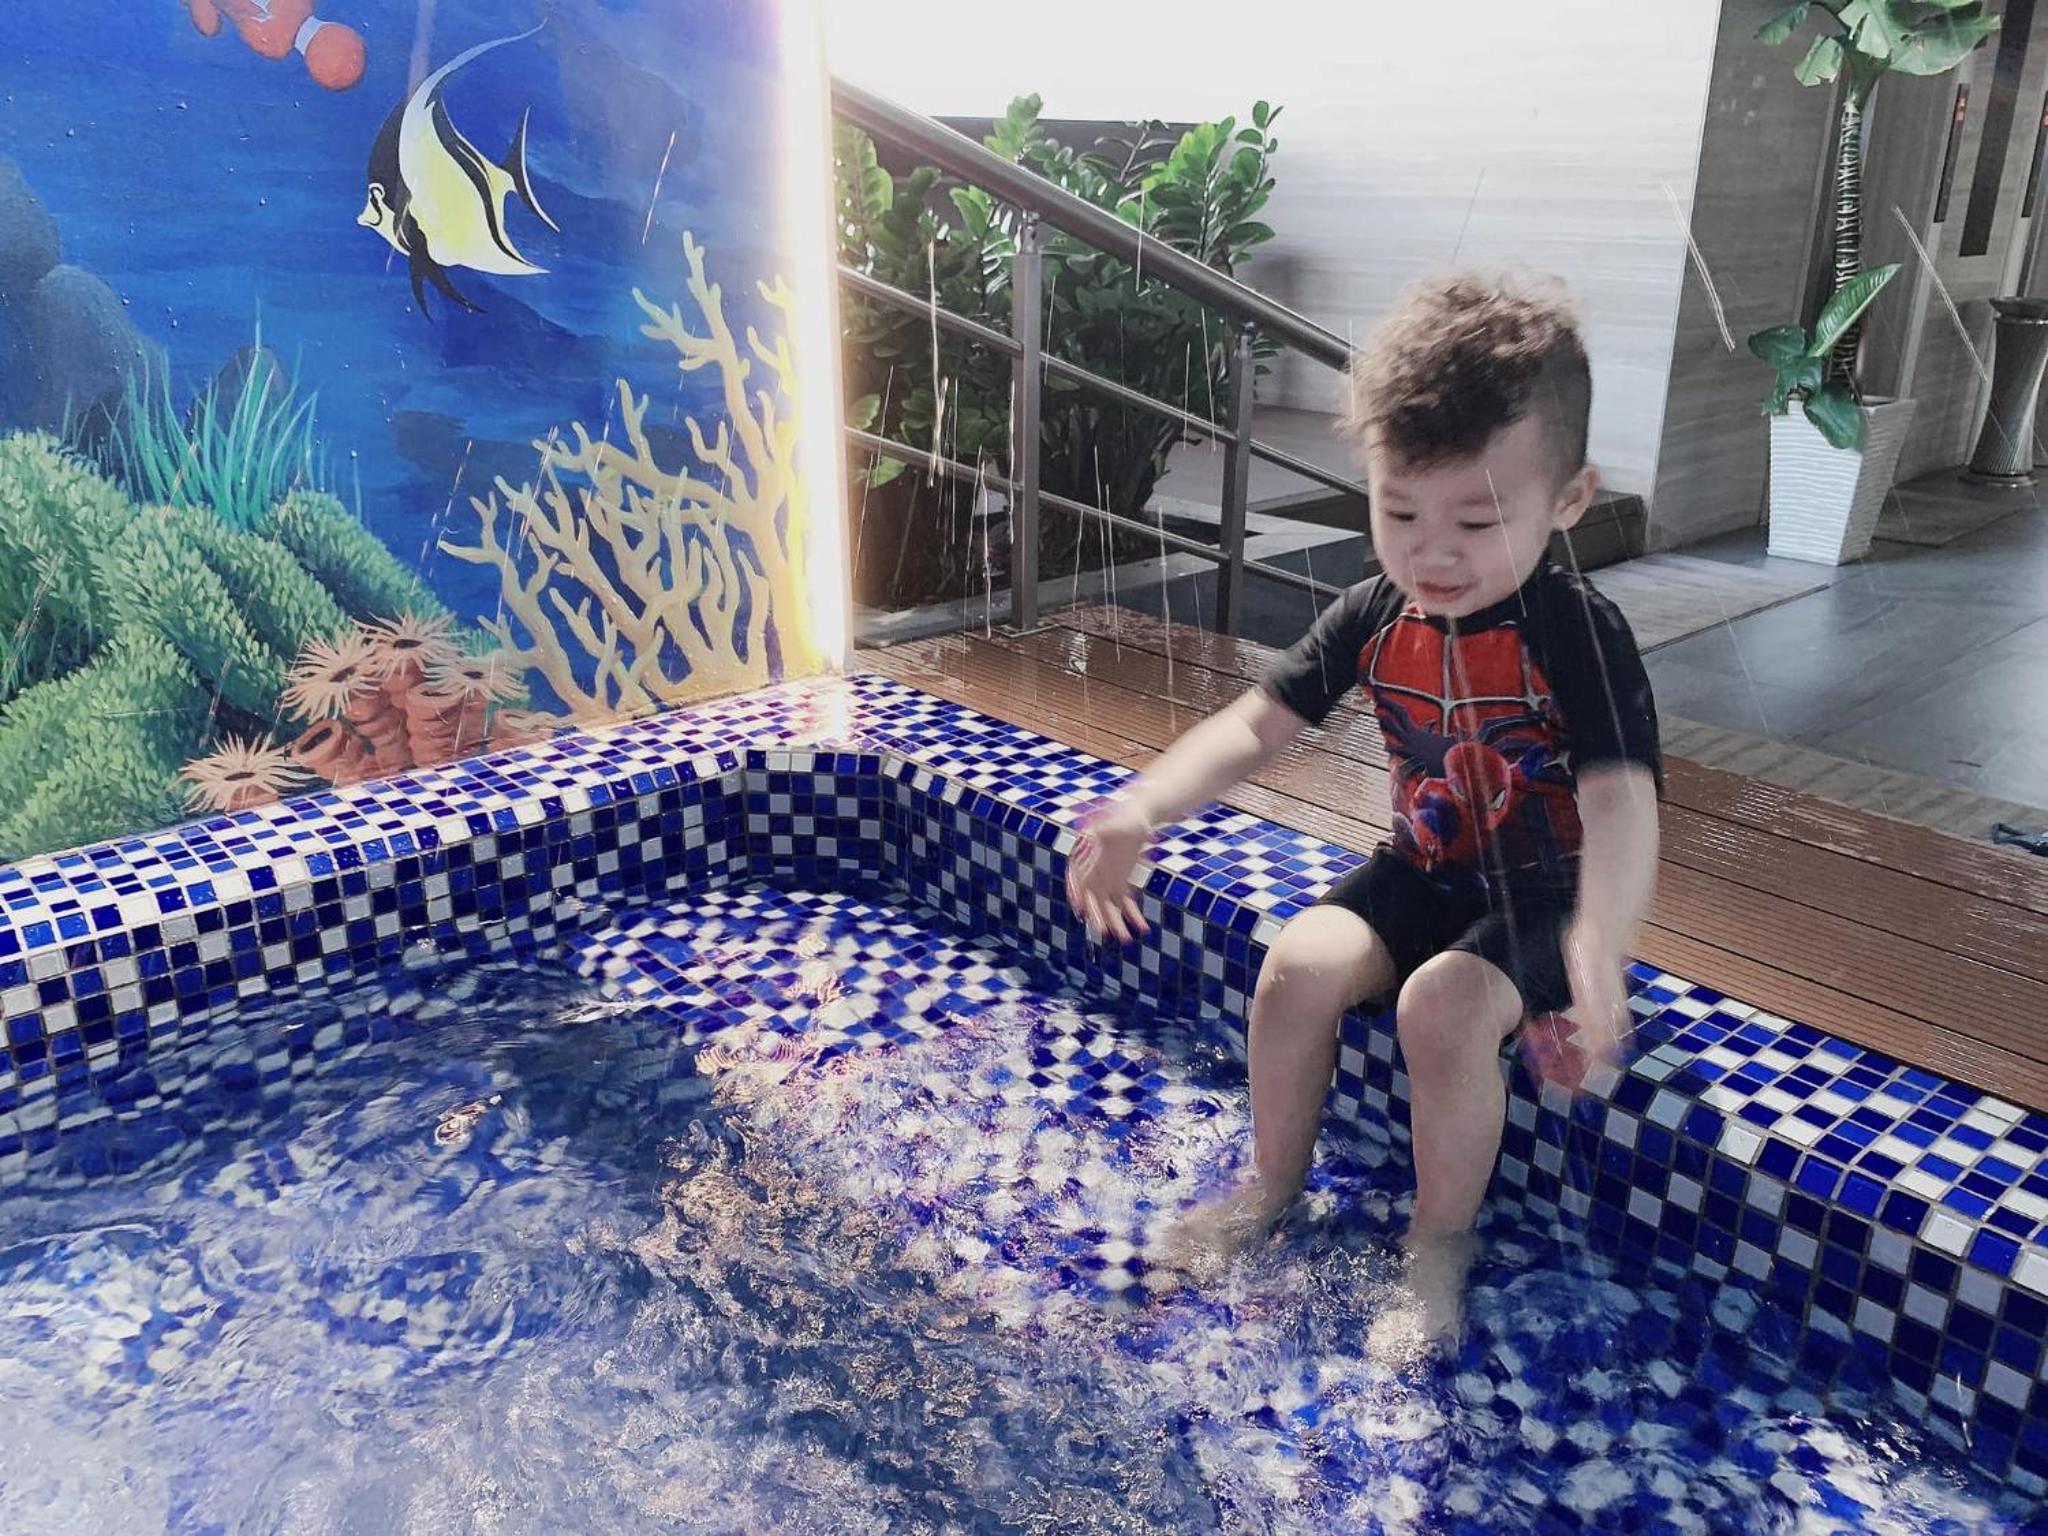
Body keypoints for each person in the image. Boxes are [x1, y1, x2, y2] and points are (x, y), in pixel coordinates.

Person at [1063, 272, 1662, 1357]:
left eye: (1477, 519)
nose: (1433, 553)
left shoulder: (1575, 632)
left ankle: (1438, 1246)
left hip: (1547, 899)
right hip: (1422, 873)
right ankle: (1269, 1187)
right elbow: (1257, 725)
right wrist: (1141, 808)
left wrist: (1597, 945)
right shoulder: (1375, 612)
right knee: (1294, 965)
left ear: (1569, 499)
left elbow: (1622, 802)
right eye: (1399, 512)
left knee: (1441, 1010)